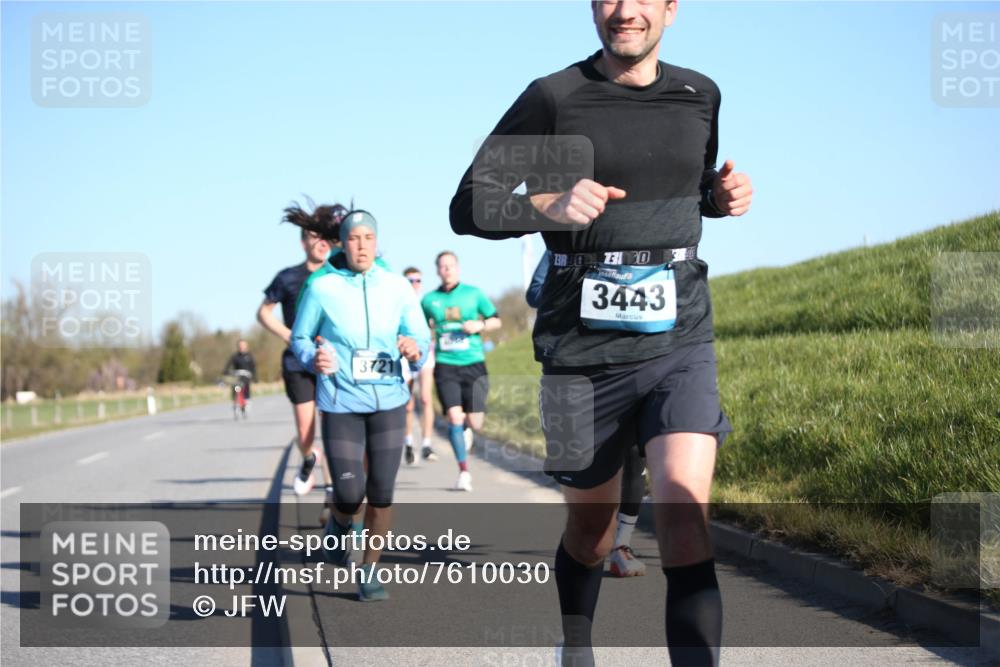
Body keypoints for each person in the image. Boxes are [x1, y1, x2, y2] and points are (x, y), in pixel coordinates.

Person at [450, 1, 753, 664]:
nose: (626, 10)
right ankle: (577, 643)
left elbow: (684, 186)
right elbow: (467, 205)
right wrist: (543, 204)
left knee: (684, 518)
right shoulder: (553, 97)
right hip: (577, 350)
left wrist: (718, 197)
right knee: (591, 530)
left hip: (679, 336)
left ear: (671, 10)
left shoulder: (700, 94)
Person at [291, 210, 430, 602]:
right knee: (351, 493)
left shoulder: (397, 286)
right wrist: (311, 358)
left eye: (369, 237)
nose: (362, 244)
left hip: (389, 399)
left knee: (382, 491)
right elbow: (300, 338)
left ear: (377, 242)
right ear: (343, 243)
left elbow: (419, 335)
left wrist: (414, 349)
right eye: (354, 238)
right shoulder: (322, 288)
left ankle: (369, 570)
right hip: (341, 401)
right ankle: (339, 520)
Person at [527, 250, 646, 578]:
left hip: (634, 355)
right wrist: (588, 286)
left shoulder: (639, 237)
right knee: (587, 466)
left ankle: (621, 546)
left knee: (635, 457)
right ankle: (589, 539)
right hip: (581, 360)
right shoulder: (563, 243)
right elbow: (535, 292)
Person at [258, 201, 346, 507]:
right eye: (312, 236)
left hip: (332, 361)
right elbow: (264, 313)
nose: (319, 243)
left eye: (324, 237)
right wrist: (289, 336)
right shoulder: (288, 277)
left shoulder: (338, 274)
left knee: (333, 430)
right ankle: (309, 457)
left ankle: (333, 494)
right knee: (306, 431)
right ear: (303, 242)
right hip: (298, 361)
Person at [421, 251, 501, 492]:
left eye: (451, 266)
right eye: (442, 266)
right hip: (446, 365)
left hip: (474, 363)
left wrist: (480, 325)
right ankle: (464, 471)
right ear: (437, 270)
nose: (447, 270)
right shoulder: (428, 300)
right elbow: (421, 329)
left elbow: (496, 319)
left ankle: (467, 429)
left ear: (458, 268)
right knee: (454, 417)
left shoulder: (473, 294)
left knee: (475, 422)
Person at [402, 267, 438, 464]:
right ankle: (408, 443)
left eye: (417, 280)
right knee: (408, 404)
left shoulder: (426, 302)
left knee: (425, 398)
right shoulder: (399, 301)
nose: (414, 284)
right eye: (410, 280)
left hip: (425, 354)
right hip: (404, 356)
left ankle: (426, 444)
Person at [223, 340, 257, 417]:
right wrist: (225, 371)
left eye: (243, 345)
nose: (242, 347)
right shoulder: (235, 356)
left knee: (245, 390)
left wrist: (255, 377)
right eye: (240, 345)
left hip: (246, 376)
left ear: (246, 346)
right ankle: (236, 404)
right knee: (236, 389)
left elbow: (253, 367)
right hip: (237, 376)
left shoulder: (249, 356)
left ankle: (246, 404)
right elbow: (228, 364)